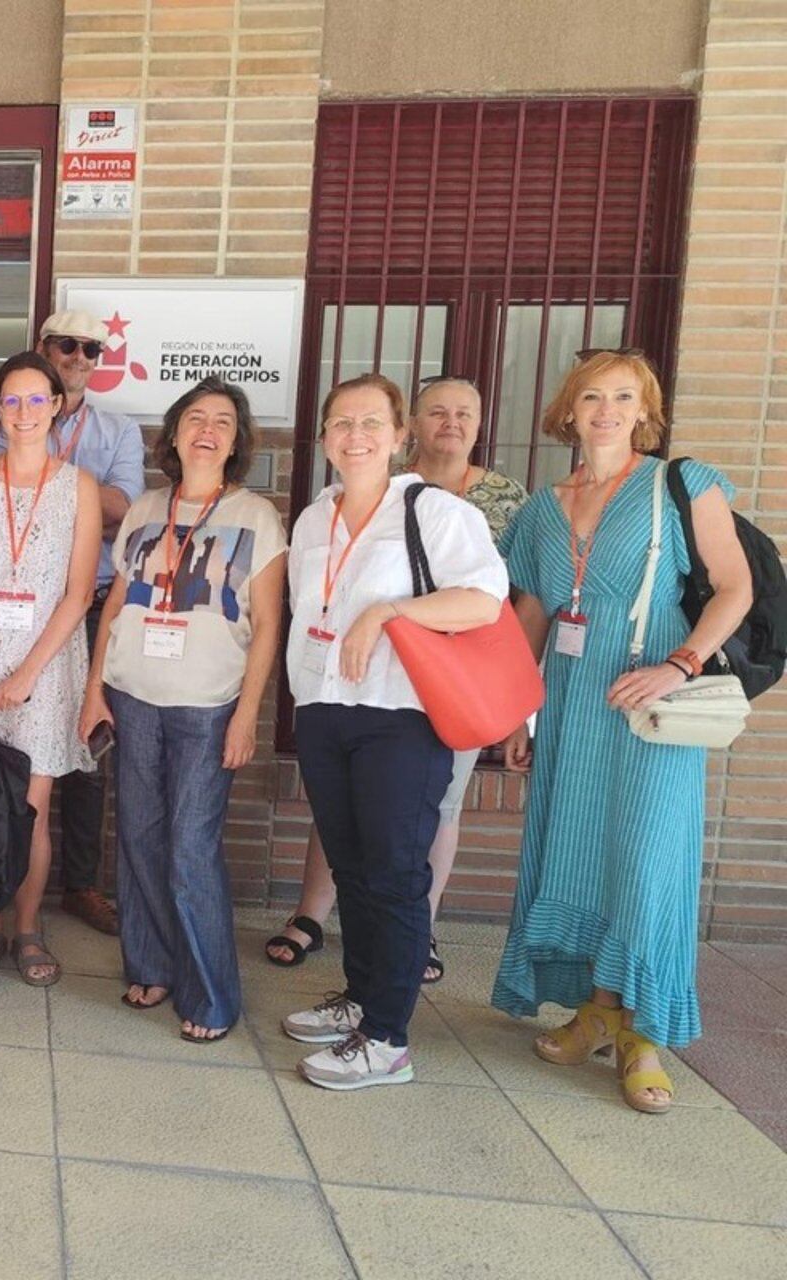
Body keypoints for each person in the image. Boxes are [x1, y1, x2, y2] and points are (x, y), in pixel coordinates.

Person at [495, 351, 751, 1114]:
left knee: (645, 859)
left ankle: (645, 1033)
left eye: (623, 398)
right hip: (574, 705)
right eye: (591, 397)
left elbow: (733, 587)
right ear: (567, 411)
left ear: (645, 409)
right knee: (579, 853)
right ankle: (599, 1010)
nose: (606, 410)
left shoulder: (681, 484)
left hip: (650, 708)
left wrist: (681, 663)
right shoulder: (543, 507)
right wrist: (517, 710)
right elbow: (534, 617)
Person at [280, 373, 507, 1091]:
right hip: (323, 707)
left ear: (399, 434)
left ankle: (387, 1037)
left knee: (396, 873)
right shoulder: (316, 516)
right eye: (341, 423)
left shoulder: (431, 511)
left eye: (371, 422)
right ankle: (360, 998)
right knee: (351, 865)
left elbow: (484, 599)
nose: (355, 435)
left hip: (399, 717)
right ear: (323, 437)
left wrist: (387, 613)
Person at [80, 378, 285, 1042]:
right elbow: (115, 603)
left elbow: (268, 625)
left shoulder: (256, 516)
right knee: (137, 839)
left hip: (206, 706)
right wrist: (92, 691)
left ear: (236, 441)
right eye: (195, 417)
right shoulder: (144, 508)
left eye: (222, 421)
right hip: (133, 697)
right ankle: (151, 964)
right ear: (172, 434)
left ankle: (212, 995)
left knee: (190, 850)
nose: (207, 429)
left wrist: (247, 714)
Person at [0, 309, 146, 937]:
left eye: (90, 347)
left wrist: (76, 487)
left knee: (84, 751)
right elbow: (15, 496)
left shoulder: (118, 429)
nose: (78, 354)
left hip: (95, 598)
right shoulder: (15, 418)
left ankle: (78, 884)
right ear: (44, 349)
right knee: (5, 764)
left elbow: (123, 512)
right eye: (66, 344)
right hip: (10, 615)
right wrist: (86, 492)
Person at [0, 351, 102, 986]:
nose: (25, 412)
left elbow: (80, 592)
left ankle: (27, 925)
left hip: (46, 668)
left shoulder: (79, 488)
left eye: (37, 399)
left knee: (31, 806)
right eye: (12, 401)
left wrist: (30, 673)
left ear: (57, 406)